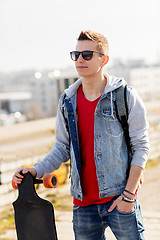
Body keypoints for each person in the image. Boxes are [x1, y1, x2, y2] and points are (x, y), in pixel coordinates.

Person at [13, 30, 149, 240]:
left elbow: (141, 146)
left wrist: (128, 196)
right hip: (83, 206)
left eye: (87, 55)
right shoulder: (67, 100)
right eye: (75, 55)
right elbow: (61, 148)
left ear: (104, 60)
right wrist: (36, 170)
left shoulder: (125, 96)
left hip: (119, 199)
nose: (79, 60)